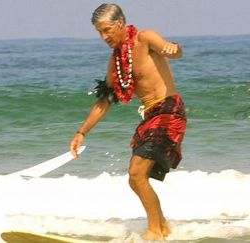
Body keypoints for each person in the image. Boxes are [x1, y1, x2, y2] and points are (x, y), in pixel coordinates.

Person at [69, 3, 187, 240]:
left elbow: (172, 51)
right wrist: (81, 132)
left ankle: (155, 233)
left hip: (168, 110)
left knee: (136, 173)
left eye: (106, 30)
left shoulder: (144, 38)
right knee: (135, 180)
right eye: (99, 33)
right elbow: (105, 101)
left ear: (120, 24)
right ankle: (162, 226)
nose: (104, 37)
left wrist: (174, 50)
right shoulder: (116, 62)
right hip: (150, 116)